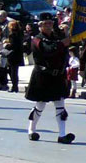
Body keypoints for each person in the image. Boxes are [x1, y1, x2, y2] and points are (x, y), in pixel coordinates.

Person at [25, 12, 74, 144]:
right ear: (40, 26)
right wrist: (63, 43)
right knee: (40, 105)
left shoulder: (57, 37)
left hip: (57, 76)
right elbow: (48, 50)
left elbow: (65, 51)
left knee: (60, 106)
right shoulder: (36, 39)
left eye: (50, 23)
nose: (48, 26)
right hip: (43, 76)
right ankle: (31, 130)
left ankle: (62, 135)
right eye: (45, 24)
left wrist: (67, 35)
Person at [4, 21, 24, 92]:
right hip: (19, 54)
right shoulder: (20, 33)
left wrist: (6, 46)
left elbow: (12, 45)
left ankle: (14, 87)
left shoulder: (12, 34)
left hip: (13, 55)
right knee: (15, 71)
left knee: (12, 72)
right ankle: (15, 86)